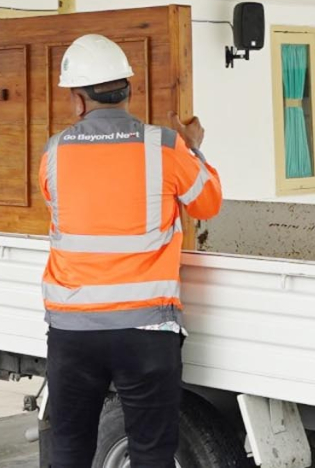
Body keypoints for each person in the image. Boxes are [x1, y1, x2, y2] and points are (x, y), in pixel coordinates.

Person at [39, 34, 223, 468]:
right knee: (151, 452)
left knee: (68, 446)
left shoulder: (55, 151)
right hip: (146, 330)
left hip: (73, 330)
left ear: (79, 101)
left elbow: (58, 207)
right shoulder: (164, 146)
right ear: (127, 90)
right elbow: (209, 204)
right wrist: (193, 146)